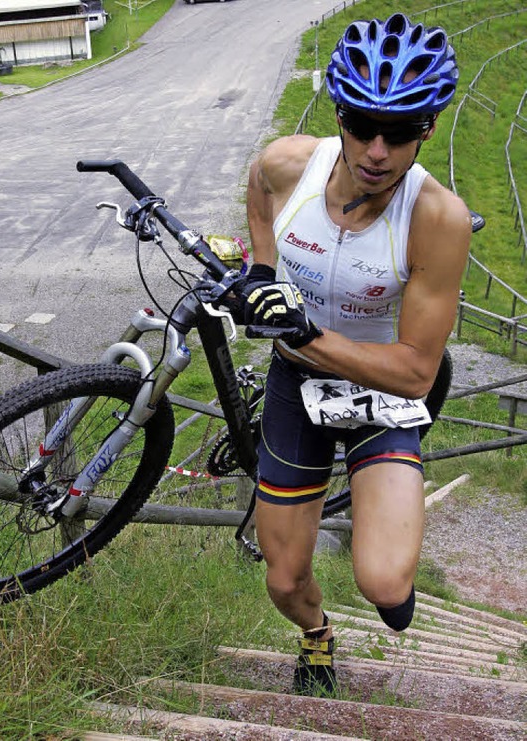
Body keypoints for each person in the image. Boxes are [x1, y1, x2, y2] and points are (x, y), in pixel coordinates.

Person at [242, 13, 471, 697]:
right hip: (298, 384)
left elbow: (416, 370)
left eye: (400, 132)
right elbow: (258, 190)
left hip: (383, 388)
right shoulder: (288, 164)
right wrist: (259, 269)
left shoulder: (439, 217)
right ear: (338, 114)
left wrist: (307, 333)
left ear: (426, 128)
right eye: (362, 125)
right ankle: (318, 634)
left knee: (386, 584)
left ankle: (385, 544)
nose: (377, 149)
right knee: (282, 577)